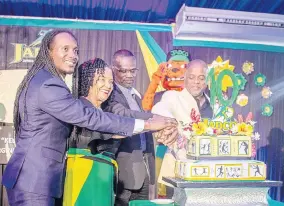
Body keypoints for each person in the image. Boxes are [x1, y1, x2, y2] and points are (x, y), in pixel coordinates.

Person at [1, 30, 178, 206]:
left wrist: (158, 123)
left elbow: (114, 118)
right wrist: (149, 124)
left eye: (76, 50)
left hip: (41, 181)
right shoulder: (49, 84)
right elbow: (90, 119)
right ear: (48, 51)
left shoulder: (47, 81)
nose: (73, 55)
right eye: (65, 49)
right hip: (35, 180)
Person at [103, 49, 177, 205]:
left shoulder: (135, 95)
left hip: (142, 167)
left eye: (133, 70)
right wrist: (155, 119)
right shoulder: (110, 93)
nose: (130, 75)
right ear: (113, 69)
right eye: (124, 71)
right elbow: (123, 115)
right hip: (124, 170)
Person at [152, 59, 213, 198]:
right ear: (185, 77)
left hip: (207, 176)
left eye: (201, 78)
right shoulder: (173, 97)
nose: (196, 82)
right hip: (176, 174)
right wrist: (168, 124)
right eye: (191, 77)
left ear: (207, 80)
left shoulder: (215, 105)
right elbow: (159, 109)